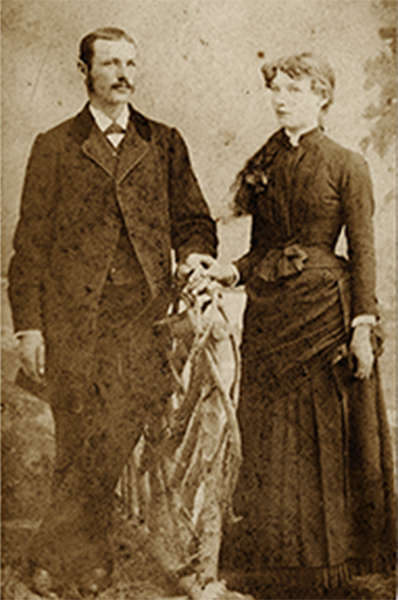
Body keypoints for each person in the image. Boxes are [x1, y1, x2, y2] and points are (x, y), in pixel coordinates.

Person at [8, 27, 218, 599]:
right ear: (85, 71)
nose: (124, 74)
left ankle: (50, 555)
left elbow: (196, 221)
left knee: (113, 436)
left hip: (142, 321)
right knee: (77, 440)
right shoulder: (53, 146)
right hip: (71, 320)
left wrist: (196, 259)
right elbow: (30, 246)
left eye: (131, 63)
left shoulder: (166, 142)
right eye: (110, 64)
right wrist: (28, 325)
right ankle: (86, 562)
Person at [204, 53, 396, 597]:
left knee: (320, 437)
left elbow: (362, 251)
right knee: (269, 436)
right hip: (271, 318)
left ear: (322, 96)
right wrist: (226, 270)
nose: (281, 98)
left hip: (324, 319)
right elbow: (260, 251)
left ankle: (328, 567)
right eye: (277, 89)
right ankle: (271, 566)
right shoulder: (266, 163)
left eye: (294, 89)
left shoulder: (346, 163)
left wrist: (362, 325)